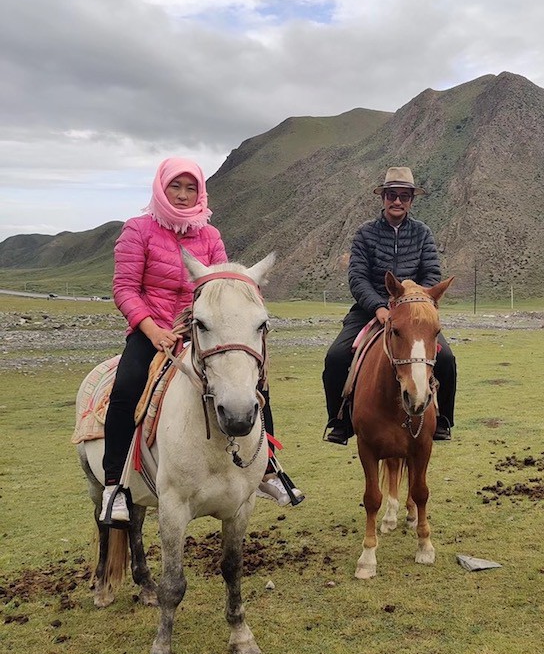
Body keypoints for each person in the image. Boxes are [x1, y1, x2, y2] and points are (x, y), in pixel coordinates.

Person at [102, 157, 297, 522]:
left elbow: (225, 287)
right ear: (161, 188)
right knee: (127, 385)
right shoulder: (138, 230)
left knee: (254, 385)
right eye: (175, 186)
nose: (182, 194)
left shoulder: (210, 236)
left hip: (201, 331)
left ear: (201, 193)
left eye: (191, 188)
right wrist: (152, 329)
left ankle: (268, 468)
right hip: (154, 331)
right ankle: (115, 486)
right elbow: (125, 289)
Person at [322, 167, 457, 445]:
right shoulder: (365, 233)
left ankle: (443, 421)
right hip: (370, 309)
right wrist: (378, 307)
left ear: (411, 200)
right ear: (383, 197)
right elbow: (357, 277)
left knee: (446, 360)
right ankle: (339, 422)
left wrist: (412, 300)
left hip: (413, 313)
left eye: (404, 196)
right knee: (335, 358)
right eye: (392, 195)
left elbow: (431, 273)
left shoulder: (422, 233)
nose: (398, 201)